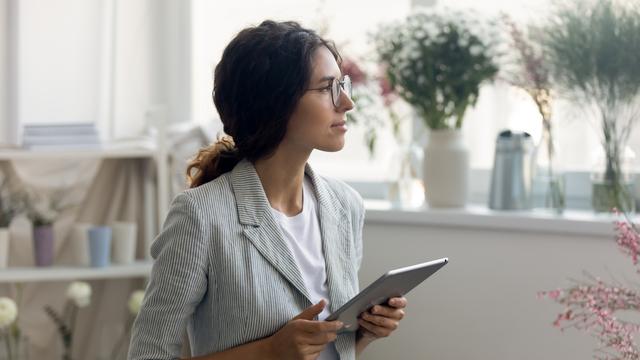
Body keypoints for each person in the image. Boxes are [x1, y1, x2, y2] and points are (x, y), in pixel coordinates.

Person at [128, 20, 407, 360]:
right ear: (276, 101)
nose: (347, 102)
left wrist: (362, 333)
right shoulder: (200, 216)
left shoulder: (344, 205)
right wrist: (268, 351)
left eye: (343, 85)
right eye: (326, 88)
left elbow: (326, 351)